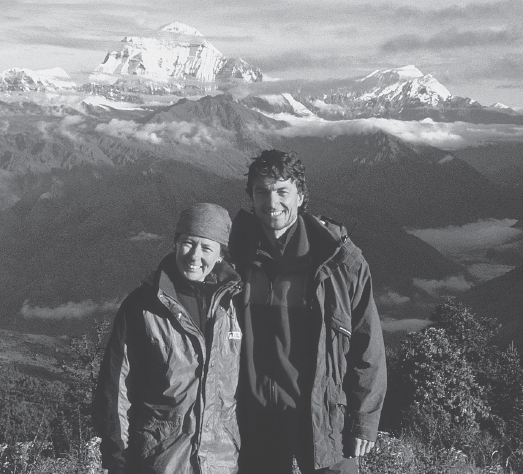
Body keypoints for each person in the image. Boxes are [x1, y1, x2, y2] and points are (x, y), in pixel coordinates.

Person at [229, 150, 387, 474]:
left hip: (322, 417)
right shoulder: (234, 261)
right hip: (256, 422)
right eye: (261, 191)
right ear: (251, 198)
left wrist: (364, 421)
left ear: (300, 196)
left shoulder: (339, 264)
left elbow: (367, 345)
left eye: (281, 191)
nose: (271, 202)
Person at [93, 203, 243, 474]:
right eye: (187, 243)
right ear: (175, 243)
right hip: (160, 461)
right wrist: (117, 459)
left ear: (221, 255)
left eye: (207, 247)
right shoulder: (143, 306)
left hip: (222, 462)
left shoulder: (234, 306)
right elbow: (117, 388)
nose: (195, 255)